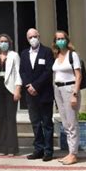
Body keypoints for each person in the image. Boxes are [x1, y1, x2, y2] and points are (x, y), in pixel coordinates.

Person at [19, 28, 55, 161]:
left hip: (44, 93)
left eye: (35, 36)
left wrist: (36, 85)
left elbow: (48, 71)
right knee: (35, 123)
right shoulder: (24, 54)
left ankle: (48, 151)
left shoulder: (47, 52)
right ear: (27, 39)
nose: (33, 39)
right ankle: (38, 149)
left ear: (39, 36)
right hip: (30, 94)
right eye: (30, 37)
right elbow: (22, 71)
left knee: (47, 123)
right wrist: (28, 85)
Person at [52, 30, 82, 166]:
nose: (60, 41)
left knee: (71, 123)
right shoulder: (57, 56)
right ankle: (70, 152)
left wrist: (75, 94)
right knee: (65, 123)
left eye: (62, 38)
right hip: (58, 89)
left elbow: (78, 76)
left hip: (70, 89)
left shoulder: (73, 55)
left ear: (67, 40)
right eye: (58, 39)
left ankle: (73, 154)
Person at [0, 33, 22, 156]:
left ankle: (12, 147)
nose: (3, 43)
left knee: (10, 118)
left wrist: (18, 89)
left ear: (9, 43)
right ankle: (3, 147)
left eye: (5, 41)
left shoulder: (14, 55)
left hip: (10, 89)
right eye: (1, 41)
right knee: (1, 118)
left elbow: (18, 72)